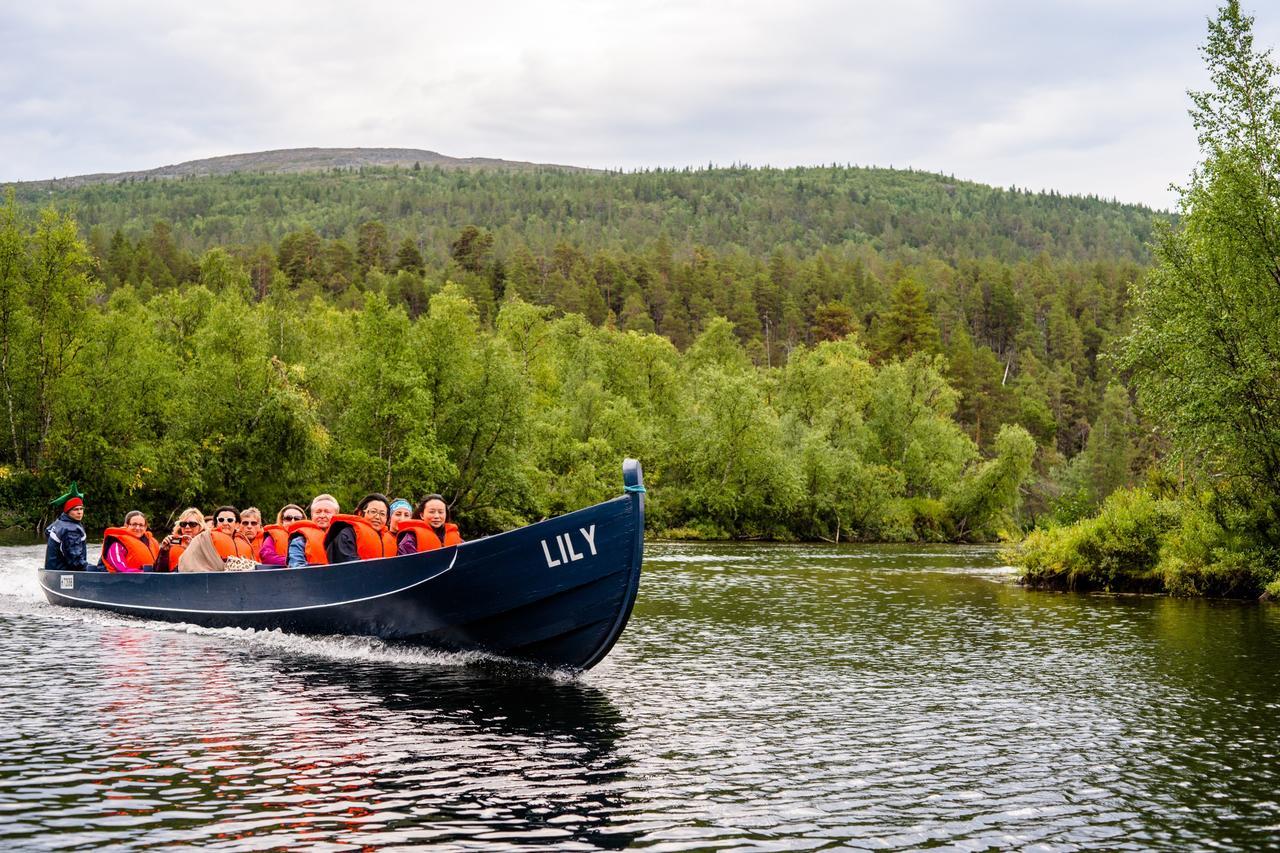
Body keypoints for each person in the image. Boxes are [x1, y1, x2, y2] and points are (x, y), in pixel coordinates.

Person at [177, 505, 255, 572]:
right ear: (215, 523)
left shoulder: (245, 543)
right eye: (221, 520)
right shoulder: (203, 538)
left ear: (237, 524)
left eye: (230, 520)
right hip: (212, 582)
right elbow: (187, 564)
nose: (225, 523)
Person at [324, 493, 394, 563]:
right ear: (360, 513)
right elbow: (348, 566)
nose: (377, 517)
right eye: (373, 512)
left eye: (382, 514)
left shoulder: (389, 539)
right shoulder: (346, 534)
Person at [396, 494, 463, 555]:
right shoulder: (410, 539)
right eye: (432, 512)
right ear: (422, 515)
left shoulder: (456, 536)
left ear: (446, 514)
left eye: (441, 512)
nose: (437, 516)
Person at [44, 484, 89, 572]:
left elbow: (47, 531)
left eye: (81, 509)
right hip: (64, 573)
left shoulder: (59, 522)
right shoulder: (71, 530)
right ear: (68, 511)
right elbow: (76, 562)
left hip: (52, 570)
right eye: (75, 509)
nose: (79, 512)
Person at [287, 494, 339, 567]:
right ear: (312, 516)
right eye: (318, 512)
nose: (322, 516)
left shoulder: (344, 539)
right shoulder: (299, 541)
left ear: (336, 515)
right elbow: (296, 569)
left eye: (327, 512)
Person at [155, 508, 204, 572]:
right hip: (175, 579)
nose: (187, 527)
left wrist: (192, 549)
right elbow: (159, 572)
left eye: (192, 524)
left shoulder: (206, 543)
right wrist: (164, 552)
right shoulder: (172, 542)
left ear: (200, 526)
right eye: (183, 524)